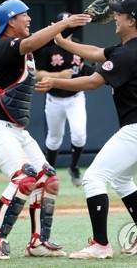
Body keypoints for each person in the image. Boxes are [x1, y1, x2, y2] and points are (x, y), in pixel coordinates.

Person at [36, 0, 137, 259]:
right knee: (121, 179)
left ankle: (100, 244)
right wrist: (63, 42)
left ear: (131, 21)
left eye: (120, 14)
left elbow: (93, 82)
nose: (115, 17)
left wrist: (53, 81)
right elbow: (97, 53)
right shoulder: (136, 46)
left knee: (94, 178)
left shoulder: (128, 53)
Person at [0, 0, 91, 260]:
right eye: (24, 16)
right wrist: (64, 22)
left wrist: (83, 18)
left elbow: (53, 37)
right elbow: (31, 42)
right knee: (24, 178)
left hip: (14, 129)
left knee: (48, 179)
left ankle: (39, 242)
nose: (29, 19)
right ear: (11, 21)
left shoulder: (24, 46)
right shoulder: (4, 45)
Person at [35, 12, 94, 187]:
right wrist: (58, 75)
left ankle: (74, 166)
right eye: (64, 23)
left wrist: (86, 70)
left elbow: (81, 66)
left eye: (70, 23)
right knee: (54, 138)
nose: (67, 26)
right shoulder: (46, 47)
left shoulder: (77, 45)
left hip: (75, 97)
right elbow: (37, 74)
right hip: (54, 98)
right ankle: (50, 172)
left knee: (79, 136)